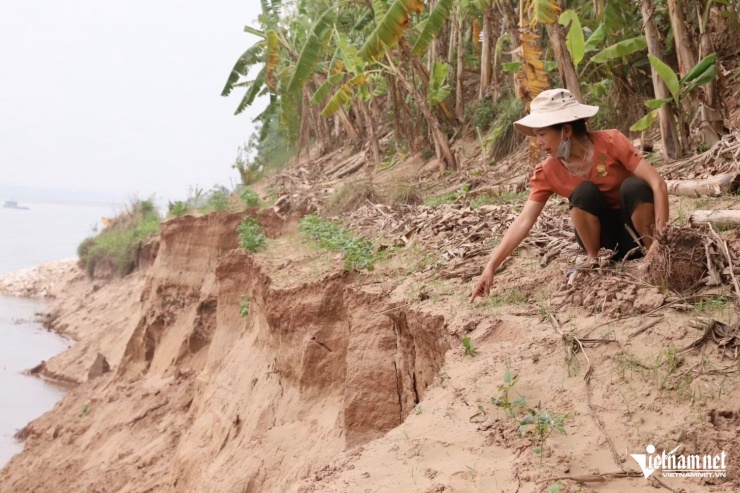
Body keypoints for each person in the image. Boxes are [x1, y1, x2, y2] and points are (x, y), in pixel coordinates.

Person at [470, 88, 669, 303]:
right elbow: (524, 221)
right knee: (584, 192)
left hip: (638, 234)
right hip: (605, 243)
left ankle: (652, 254)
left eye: (543, 134)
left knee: (634, 187)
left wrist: (661, 240)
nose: (539, 143)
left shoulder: (611, 142)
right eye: (537, 135)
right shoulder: (547, 170)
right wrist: (491, 266)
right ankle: (593, 260)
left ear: (566, 131)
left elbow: (658, 184)